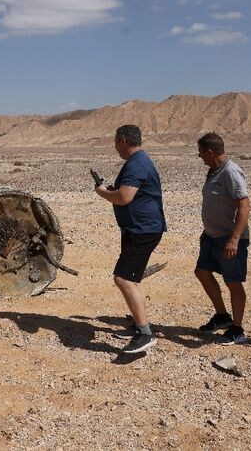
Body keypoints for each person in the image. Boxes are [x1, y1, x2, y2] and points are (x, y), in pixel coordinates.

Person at [94, 125, 167, 354]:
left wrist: (102, 192)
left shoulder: (136, 163)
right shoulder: (138, 161)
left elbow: (125, 197)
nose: (115, 147)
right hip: (138, 228)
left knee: (123, 279)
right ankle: (138, 325)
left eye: (116, 141)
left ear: (123, 140)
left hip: (142, 230)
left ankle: (145, 333)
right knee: (131, 278)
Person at [194, 133, 251, 345]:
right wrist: (206, 230)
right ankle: (222, 316)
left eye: (201, 153)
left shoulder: (231, 171)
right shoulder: (213, 171)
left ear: (210, 151)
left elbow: (244, 206)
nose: (200, 157)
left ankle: (237, 329)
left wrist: (234, 239)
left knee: (233, 282)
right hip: (211, 236)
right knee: (201, 272)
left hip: (229, 238)